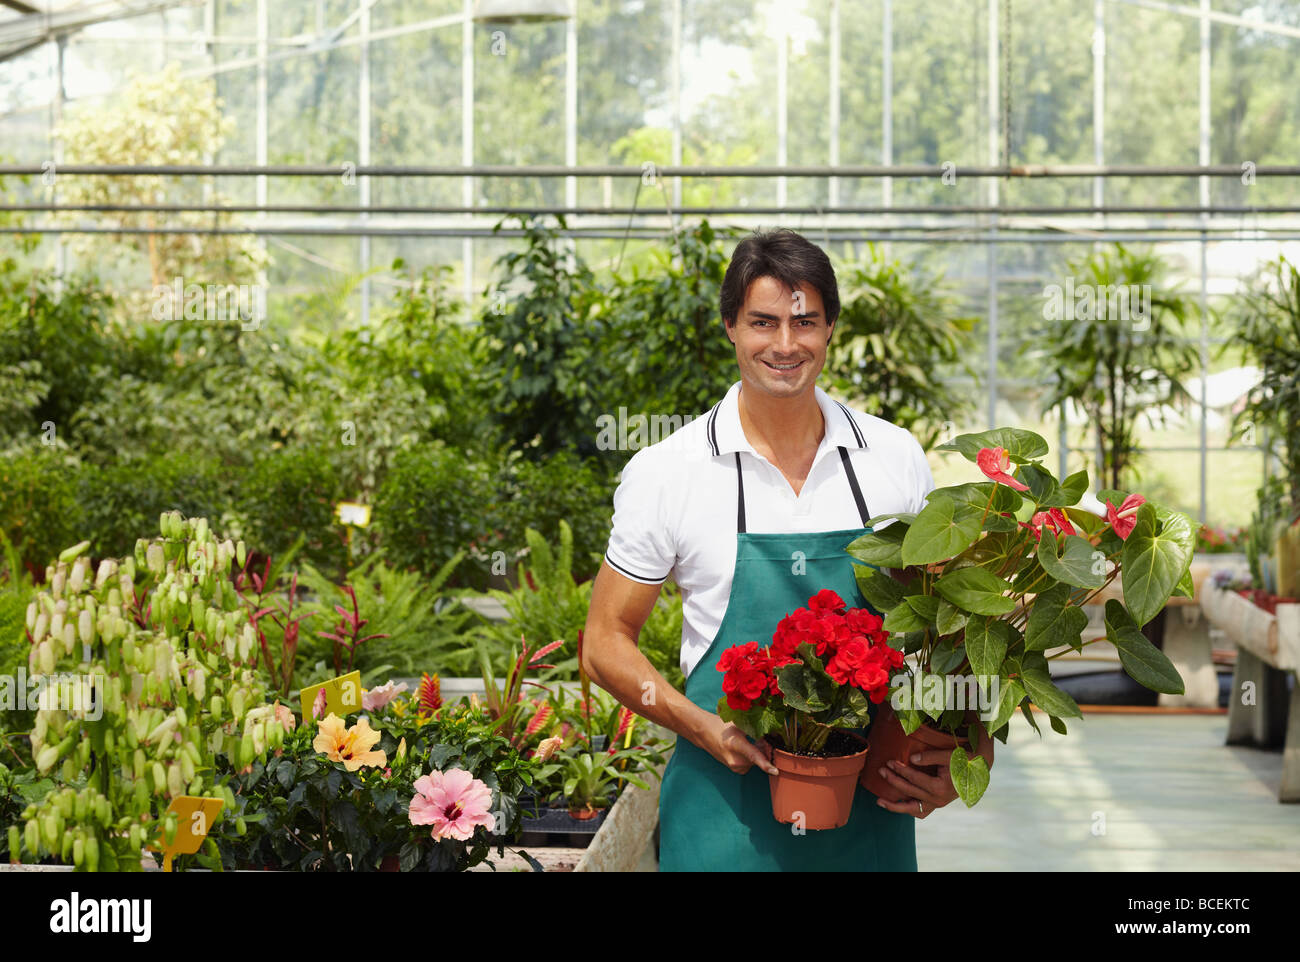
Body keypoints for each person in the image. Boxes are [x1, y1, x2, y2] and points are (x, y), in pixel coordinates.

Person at [580, 228, 991, 871]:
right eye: (763, 322)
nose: (784, 344)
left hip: (867, 819)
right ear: (730, 328)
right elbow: (604, 644)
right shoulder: (670, 470)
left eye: (804, 322)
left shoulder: (892, 458)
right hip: (723, 815)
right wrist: (706, 729)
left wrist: (969, 749)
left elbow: (952, 624)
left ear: (830, 329)